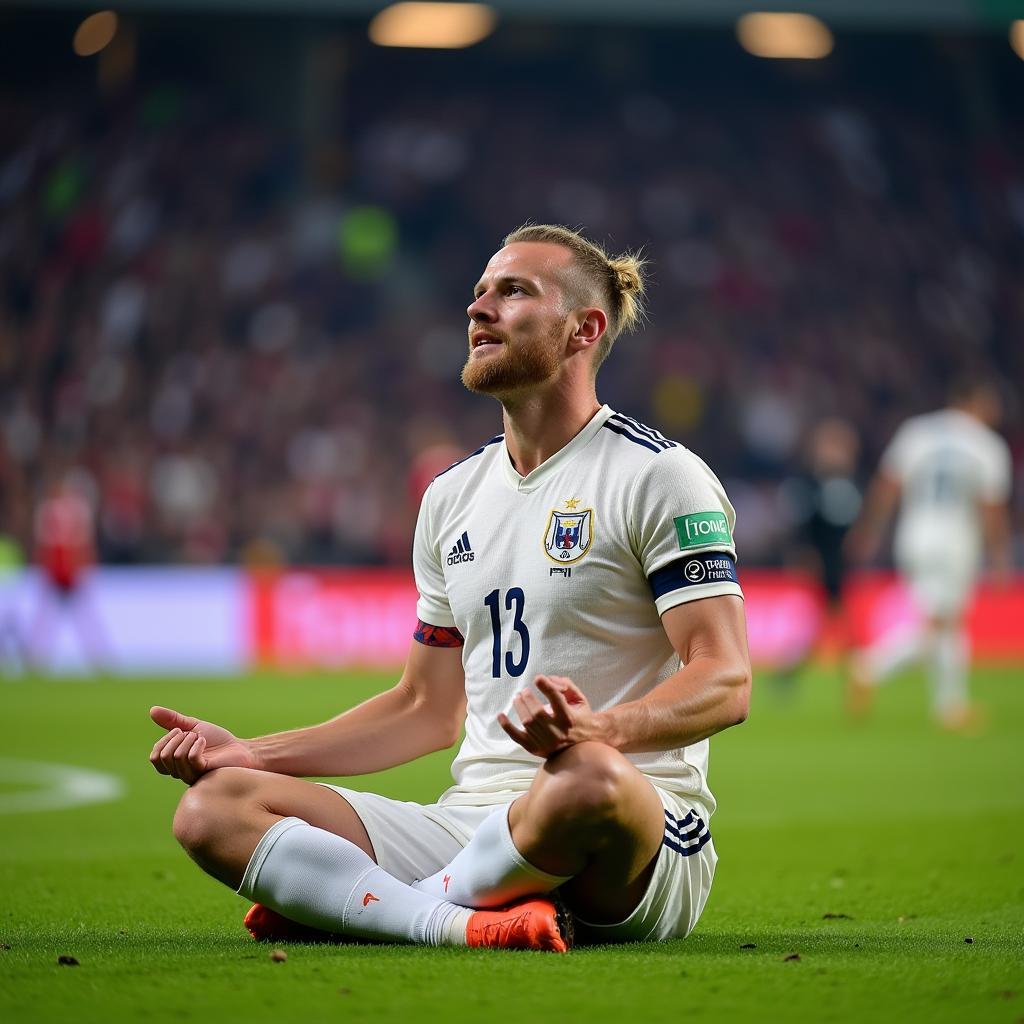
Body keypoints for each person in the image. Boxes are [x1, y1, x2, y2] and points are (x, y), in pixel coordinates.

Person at [148, 224, 751, 952]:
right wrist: (251, 754)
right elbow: (423, 707)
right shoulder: (450, 497)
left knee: (585, 777)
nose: (479, 308)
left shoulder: (658, 476)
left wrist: (602, 730)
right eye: (478, 294)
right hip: (476, 823)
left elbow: (724, 678)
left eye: (513, 291)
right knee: (213, 810)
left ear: (583, 329)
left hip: (631, 826)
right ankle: (460, 922)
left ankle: (371, 905)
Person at [845, 378, 1013, 730]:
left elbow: (887, 485)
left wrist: (869, 532)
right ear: (978, 402)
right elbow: (991, 507)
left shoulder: (917, 432)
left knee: (947, 624)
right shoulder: (987, 446)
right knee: (940, 625)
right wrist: (1000, 558)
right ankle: (870, 666)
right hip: (956, 542)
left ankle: (950, 707)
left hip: (916, 537)